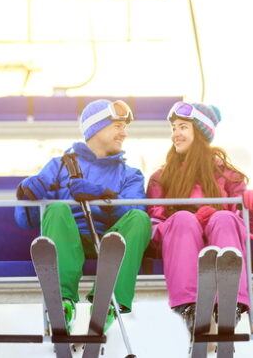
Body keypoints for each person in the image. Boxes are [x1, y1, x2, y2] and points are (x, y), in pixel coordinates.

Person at [14, 99, 152, 333]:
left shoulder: (130, 175)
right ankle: (62, 302)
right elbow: (26, 220)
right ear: (97, 127)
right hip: (67, 241)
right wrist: (28, 197)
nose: (124, 134)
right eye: (118, 126)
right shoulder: (59, 167)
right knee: (57, 209)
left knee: (140, 221)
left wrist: (103, 198)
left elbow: (134, 212)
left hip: (108, 243)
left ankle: (108, 300)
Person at [146, 101, 253, 330]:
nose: (175, 135)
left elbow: (245, 226)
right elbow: (154, 227)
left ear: (199, 132)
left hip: (220, 238)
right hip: (181, 243)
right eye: (173, 129)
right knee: (183, 219)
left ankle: (230, 303)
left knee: (224, 218)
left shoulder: (228, 176)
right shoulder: (161, 178)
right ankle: (190, 305)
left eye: (182, 127)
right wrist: (189, 220)